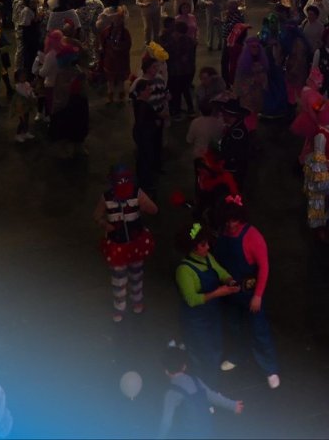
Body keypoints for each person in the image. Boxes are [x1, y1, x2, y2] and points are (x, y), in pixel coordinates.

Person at [212, 197, 280, 389]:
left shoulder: (253, 236)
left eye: (234, 220)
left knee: (259, 331)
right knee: (233, 327)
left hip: (249, 292)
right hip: (230, 290)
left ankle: (270, 368)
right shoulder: (223, 233)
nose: (231, 225)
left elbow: (264, 267)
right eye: (227, 221)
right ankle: (237, 355)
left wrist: (258, 295)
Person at [95, 168, 158, 323]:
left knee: (137, 273)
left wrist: (144, 204)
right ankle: (119, 306)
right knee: (118, 277)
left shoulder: (137, 193)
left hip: (136, 241)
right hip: (117, 244)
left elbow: (154, 209)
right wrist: (104, 224)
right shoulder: (106, 197)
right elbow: (97, 215)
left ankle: (137, 299)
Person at [175, 223, 240, 374]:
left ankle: (212, 377)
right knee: (201, 353)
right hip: (195, 322)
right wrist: (218, 292)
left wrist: (230, 281)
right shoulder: (184, 271)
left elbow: (221, 272)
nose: (208, 247)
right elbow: (192, 300)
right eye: (203, 245)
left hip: (212, 315)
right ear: (193, 248)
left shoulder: (208, 258)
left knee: (216, 348)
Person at [158, 343, 243, 439]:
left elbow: (166, 421)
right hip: (207, 429)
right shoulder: (195, 380)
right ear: (184, 367)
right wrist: (232, 405)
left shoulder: (171, 393)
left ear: (166, 371)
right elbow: (213, 396)